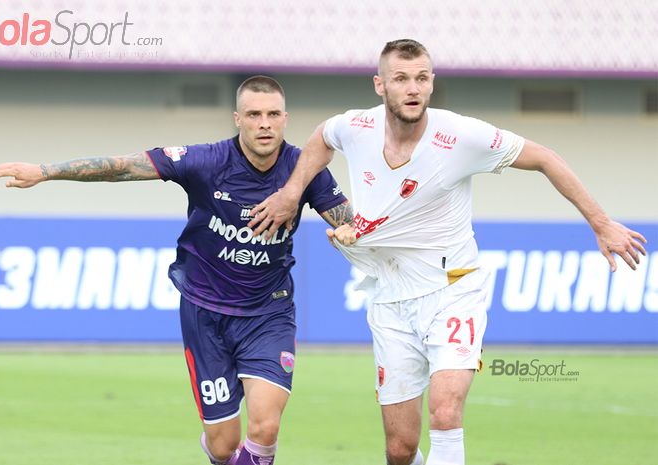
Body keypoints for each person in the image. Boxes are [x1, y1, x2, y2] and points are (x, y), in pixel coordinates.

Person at [248, 40, 648, 465]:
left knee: (445, 410)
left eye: (422, 78)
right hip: (391, 298)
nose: (412, 88)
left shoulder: (460, 135)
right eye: (401, 79)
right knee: (400, 450)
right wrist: (292, 192)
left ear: (432, 83)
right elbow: (321, 138)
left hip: (454, 288)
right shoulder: (356, 127)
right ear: (380, 85)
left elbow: (545, 158)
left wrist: (601, 223)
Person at [0, 75, 352, 465]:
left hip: (268, 313)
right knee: (224, 445)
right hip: (205, 313)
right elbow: (124, 167)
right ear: (237, 119)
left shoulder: (303, 169)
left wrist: (348, 232)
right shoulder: (207, 161)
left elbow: (347, 220)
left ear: (285, 118)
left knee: (265, 428)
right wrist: (45, 171)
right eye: (254, 114)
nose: (265, 123)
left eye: (273, 114)